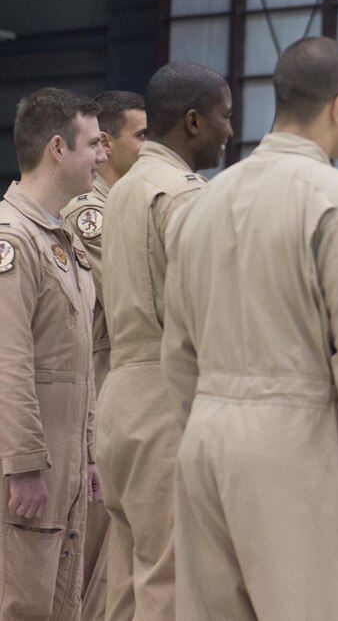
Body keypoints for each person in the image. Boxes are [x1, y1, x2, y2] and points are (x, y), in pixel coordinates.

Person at [161, 36, 338, 620]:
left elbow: (176, 351)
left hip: (205, 438)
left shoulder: (201, 202)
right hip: (294, 444)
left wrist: (195, 428)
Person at [97, 63, 232, 620]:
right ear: (194, 121)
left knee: (126, 584)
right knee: (171, 581)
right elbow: (212, 312)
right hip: (166, 399)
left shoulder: (123, 190)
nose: (230, 128)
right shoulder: (181, 195)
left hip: (119, 398)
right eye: (224, 115)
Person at [0, 88, 105, 619]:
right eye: (93, 143)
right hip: (30, 465)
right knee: (22, 605)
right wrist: (21, 465)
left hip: (64, 464)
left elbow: (78, 361)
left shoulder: (62, 241)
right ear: (58, 148)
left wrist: (86, 453)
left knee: (63, 605)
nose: (103, 156)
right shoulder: (14, 240)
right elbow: (8, 361)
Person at [60, 90, 146, 621]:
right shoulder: (90, 213)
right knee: (95, 562)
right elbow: (131, 298)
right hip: (103, 384)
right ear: (107, 144)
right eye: (142, 134)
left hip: (123, 390)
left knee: (121, 558)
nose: (151, 145)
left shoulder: (126, 206)